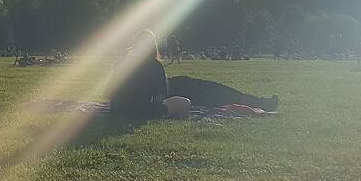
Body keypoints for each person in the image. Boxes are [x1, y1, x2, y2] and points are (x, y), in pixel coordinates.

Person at [111, 30, 277, 119]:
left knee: (212, 90)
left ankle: (259, 102)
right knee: (215, 91)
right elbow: (160, 96)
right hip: (175, 90)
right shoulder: (153, 65)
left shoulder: (121, 64)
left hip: (169, 87)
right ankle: (260, 103)